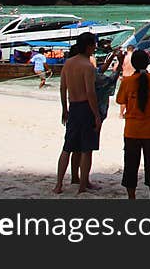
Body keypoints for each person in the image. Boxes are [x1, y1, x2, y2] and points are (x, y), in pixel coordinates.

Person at [53, 32, 102, 194]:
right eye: (94, 44)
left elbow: (62, 87)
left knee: (67, 147)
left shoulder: (68, 63)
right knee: (86, 149)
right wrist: (96, 114)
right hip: (85, 108)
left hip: (73, 106)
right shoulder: (87, 66)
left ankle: (59, 184)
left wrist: (64, 108)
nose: (95, 47)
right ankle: (82, 185)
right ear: (88, 46)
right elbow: (90, 93)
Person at [115, 49, 150, 199]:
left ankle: (132, 197)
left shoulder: (127, 81)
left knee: (131, 165)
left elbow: (120, 100)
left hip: (132, 129)